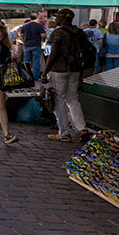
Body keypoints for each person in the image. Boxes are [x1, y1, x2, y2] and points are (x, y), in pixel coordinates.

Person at [42, 9, 91, 143]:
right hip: (75, 70)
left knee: (59, 101)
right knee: (73, 100)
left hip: (59, 71)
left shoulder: (57, 33)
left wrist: (45, 72)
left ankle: (64, 132)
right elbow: (85, 54)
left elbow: (53, 55)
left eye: (57, 17)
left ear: (63, 18)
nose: (55, 19)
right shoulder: (80, 33)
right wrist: (81, 73)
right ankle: (82, 129)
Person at [17, 14, 47, 81]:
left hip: (27, 45)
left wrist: (23, 41)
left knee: (26, 61)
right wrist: (43, 41)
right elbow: (43, 35)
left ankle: (26, 76)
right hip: (36, 45)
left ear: (30, 18)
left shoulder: (25, 25)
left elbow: (21, 34)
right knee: (36, 61)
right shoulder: (39, 25)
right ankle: (35, 77)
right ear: (37, 18)